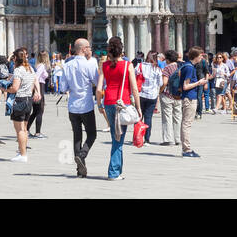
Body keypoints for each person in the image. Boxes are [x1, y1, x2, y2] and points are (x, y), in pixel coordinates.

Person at [96, 35, 140, 181]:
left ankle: (118, 170)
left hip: (108, 102)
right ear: (122, 51)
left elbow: (99, 88)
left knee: (117, 138)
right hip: (122, 103)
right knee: (117, 140)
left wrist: (99, 103)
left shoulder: (105, 66)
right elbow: (134, 89)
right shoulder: (128, 66)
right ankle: (113, 172)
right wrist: (138, 107)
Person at [63, 38, 98, 177]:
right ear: (83, 49)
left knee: (77, 136)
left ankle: (79, 170)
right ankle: (82, 155)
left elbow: (64, 87)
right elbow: (96, 81)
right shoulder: (89, 65)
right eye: (88, 47)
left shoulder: (67, 65)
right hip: (86, 105)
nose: (90, 49)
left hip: (72, 106)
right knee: (92, 134)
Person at [6, 47, 40, 163]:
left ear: (15, 58)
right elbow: (34, 81)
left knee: (19, 130)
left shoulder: (18, 70)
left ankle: (23, 154)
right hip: (28, 100)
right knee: (24, 129)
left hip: (20, 100)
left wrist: (5, 89)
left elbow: (15, 88)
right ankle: (22, 151)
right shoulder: (30, 68)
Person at [178, 46, 209, 157]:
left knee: (186, 123)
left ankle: (185, 148)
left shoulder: (187, 66)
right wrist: (199, 83)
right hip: (189, 98)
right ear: (195, 56)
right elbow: (185, 86)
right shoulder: (190, 68)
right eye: (200, 55)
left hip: (189, 97)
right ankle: (186, 149)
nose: (202, 57)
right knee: (187, 124)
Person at [136, 49, 162, 143]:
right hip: (152, 95)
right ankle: (147, 139)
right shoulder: (157, 69)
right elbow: (161, 83)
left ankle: (137, 137)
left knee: (139, 116)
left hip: (140, 94)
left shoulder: (140, 66)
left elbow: (134, 77)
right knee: (148, 117)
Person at [159, 49, 182, 141]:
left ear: (167, 59)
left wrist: (160, 91)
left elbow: (164, 82)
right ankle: (178, 138)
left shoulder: (167, 68)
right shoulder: (180, 67)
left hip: (168, 94)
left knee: (167, 117)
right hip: (178, 95)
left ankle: (168, 139)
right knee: (177, 117)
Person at [27, 50, 49, 138]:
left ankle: (27, 129)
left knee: (35, 112)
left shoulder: (38, 65)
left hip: (38, 87)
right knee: (40, 111)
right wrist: (37, 91)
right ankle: (37, 132)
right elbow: (36, 77)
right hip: (39, 87)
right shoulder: (42, 66)